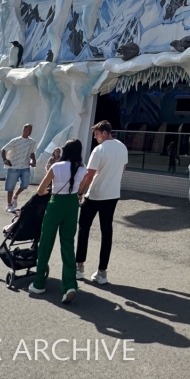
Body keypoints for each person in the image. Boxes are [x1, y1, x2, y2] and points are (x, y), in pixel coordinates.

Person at [29, 139, 87, 304]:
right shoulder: (82, 169)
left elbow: (41, 190)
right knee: (68, 244)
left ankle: (39, 282)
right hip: (72, 204)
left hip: (56, 204)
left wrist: (49, 190)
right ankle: (69, 284)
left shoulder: (56, 167)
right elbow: (81, 187)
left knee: (46, 241)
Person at [75, 120, 129, 285]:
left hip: (96, 194)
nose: (95, 137)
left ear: (104, 132)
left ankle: (79, 267)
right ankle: (102, 272)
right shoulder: (122, 147)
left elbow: (89, 175)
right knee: (107, 232)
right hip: (112, 195)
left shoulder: (99, 150)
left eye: (97, 134)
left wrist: (80, 192)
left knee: (84, 229)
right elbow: (123, 168)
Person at [1, 124, 37, 213]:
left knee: (25, 184)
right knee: (10, 186)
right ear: (24, 130)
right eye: (28, 129)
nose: (30, 131)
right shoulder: (16, 140)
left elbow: (32, 153)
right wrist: (5, 159)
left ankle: (15, 196)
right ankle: (9, 205)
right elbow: (3, 149)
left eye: (31, 130)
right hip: (14, 166)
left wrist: (33, 160)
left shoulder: (32, 142)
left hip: (25, 166)